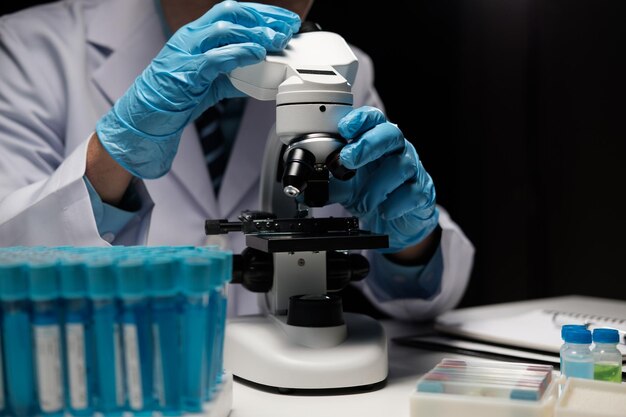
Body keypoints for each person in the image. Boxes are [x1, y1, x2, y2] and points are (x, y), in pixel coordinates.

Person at [0, 0, 474, 320]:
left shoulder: (338, 68)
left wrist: (411, 243)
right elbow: (10, 261)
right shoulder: (30, 49)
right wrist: (112, 155)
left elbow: (426, 294)